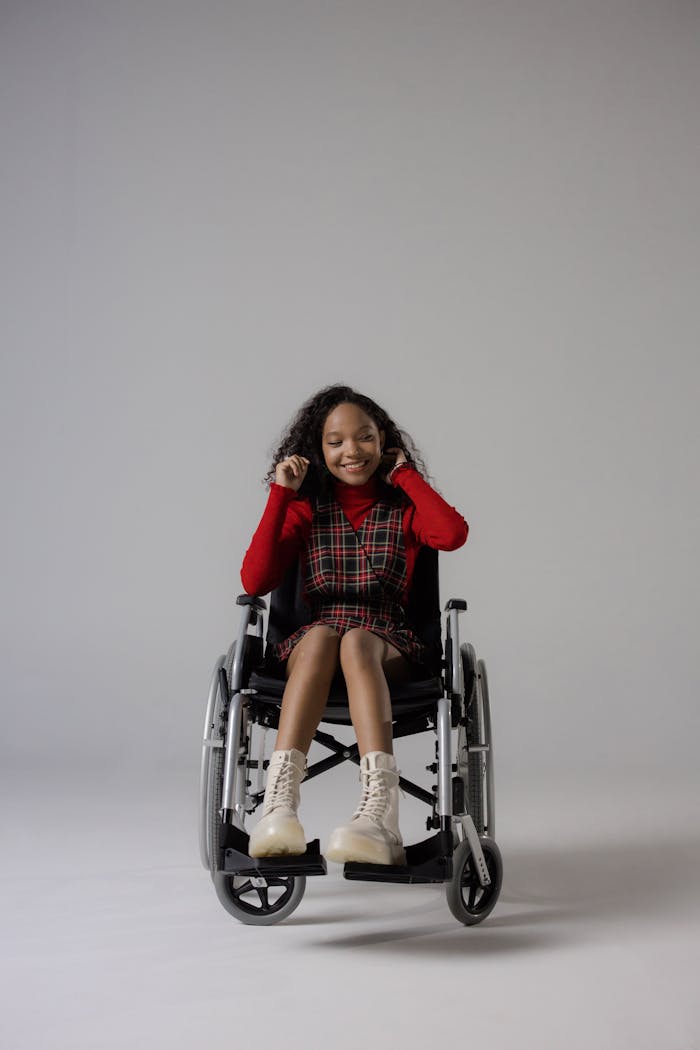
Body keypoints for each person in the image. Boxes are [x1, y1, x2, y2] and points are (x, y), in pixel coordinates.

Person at [240, 384, 468, 865]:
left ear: (382, 439)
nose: (351, 451)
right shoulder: (306, 508)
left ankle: (380, 812)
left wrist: (403, 474)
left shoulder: (404, 507)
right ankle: (279, 804)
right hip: (317, 641)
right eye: (336, 441)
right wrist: (281, 493)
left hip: (385, 640)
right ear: (317, 451)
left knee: (357, 642)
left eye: (364, 437)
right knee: (327, 636)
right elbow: (255, 579)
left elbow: (451, 534)